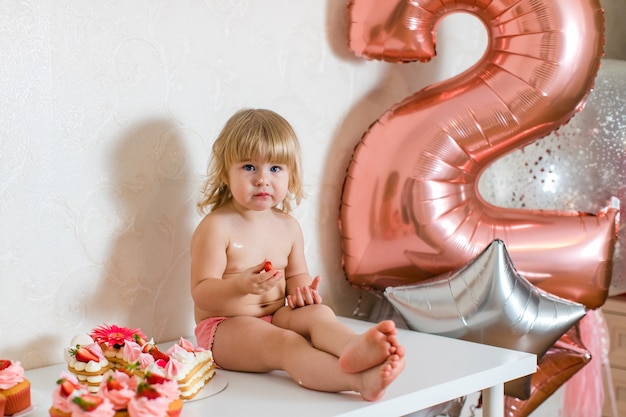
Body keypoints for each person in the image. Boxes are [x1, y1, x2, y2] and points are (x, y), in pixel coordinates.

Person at [190, 108, 405, 401]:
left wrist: (302, 291)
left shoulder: (288, 227)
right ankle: (357, 380)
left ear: (291, 175)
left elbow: (295, 275)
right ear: (226, 173)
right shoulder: (217, 227)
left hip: (278, 314)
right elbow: (202, 293)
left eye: (275, 168)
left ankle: (354, 347)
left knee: (320, 314)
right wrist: (241, 286)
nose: (263, 180)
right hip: (225, 329)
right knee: (286, 343)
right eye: (249, 167)